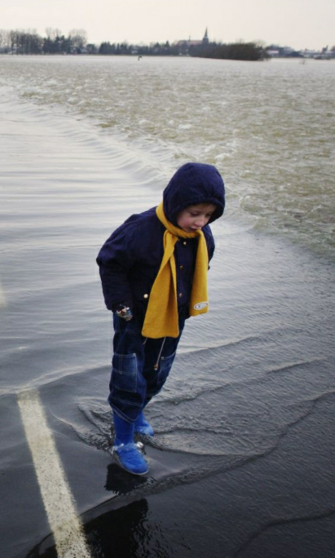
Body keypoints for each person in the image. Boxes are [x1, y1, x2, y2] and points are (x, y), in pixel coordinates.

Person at [96, 163, 225, 475]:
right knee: (130, 377)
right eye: (194, 213)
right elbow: (110, 261)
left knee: (157, 372)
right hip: (134, 318)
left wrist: (183, 302)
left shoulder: (201, 236)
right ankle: (124, 440)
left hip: (172, 319)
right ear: (176, 202)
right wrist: (120, 303)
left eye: (208, 215)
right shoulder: (140, 230)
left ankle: (138, 410)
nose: (200, 222)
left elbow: (200, 267)